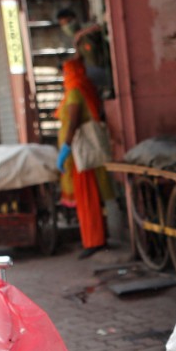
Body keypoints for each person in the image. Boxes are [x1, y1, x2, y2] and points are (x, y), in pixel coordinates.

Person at [55, 57, 114, 259]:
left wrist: (65, 149)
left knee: (87, 199)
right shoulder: (85, 87)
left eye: (65, 72)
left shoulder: (74, 92)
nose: (64, 76)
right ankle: (97, 238)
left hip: (80, 155)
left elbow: (73, 123)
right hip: (84, 153)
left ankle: (93, 241)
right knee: (93, 198)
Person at [56, 8, 112, 98]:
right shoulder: (76, 40)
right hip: (99, 72)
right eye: (63, 25)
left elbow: (100, 28)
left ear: (75, 19)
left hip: (108, 67)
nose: (67, 26)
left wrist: (82, 33)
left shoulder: (87, 30)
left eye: (68, 22)